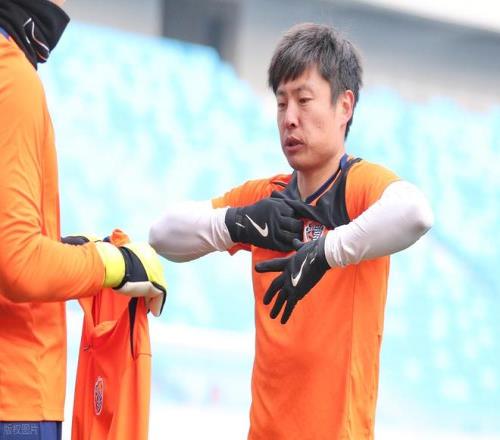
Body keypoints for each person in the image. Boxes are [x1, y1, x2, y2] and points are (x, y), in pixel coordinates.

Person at [149, 23, 433, 439]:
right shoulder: (267, 196)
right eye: (281, 103)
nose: (290, 118)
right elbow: (161, 234)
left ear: (344, 106)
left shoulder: (356, 187)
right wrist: (235, 222)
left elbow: (416, 213)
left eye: (304, 100)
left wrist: (327, 252)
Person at [0, 1, 167, 439]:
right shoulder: (12, 77)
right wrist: (114, 265)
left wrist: (63, 249)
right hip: (15, 392)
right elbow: (18, 265)